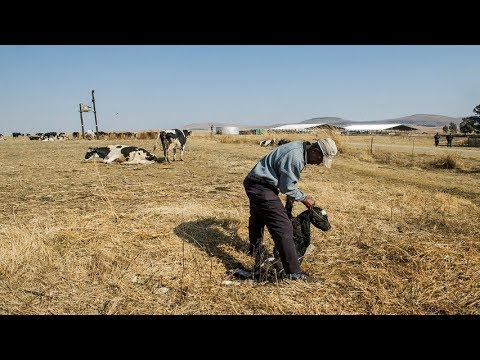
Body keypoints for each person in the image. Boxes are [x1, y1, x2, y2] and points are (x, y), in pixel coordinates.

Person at [243, 138, 338, 282]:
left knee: (258, 217)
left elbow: (286, 181)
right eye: (320, 159)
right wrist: (304, 198)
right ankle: (294, 273)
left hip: (255, 182)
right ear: (314, 151)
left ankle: (254, 249)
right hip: (261, 186)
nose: (319, 163)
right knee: (283, 226)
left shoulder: (299, 147)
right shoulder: (296, 157)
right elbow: (286, 187)